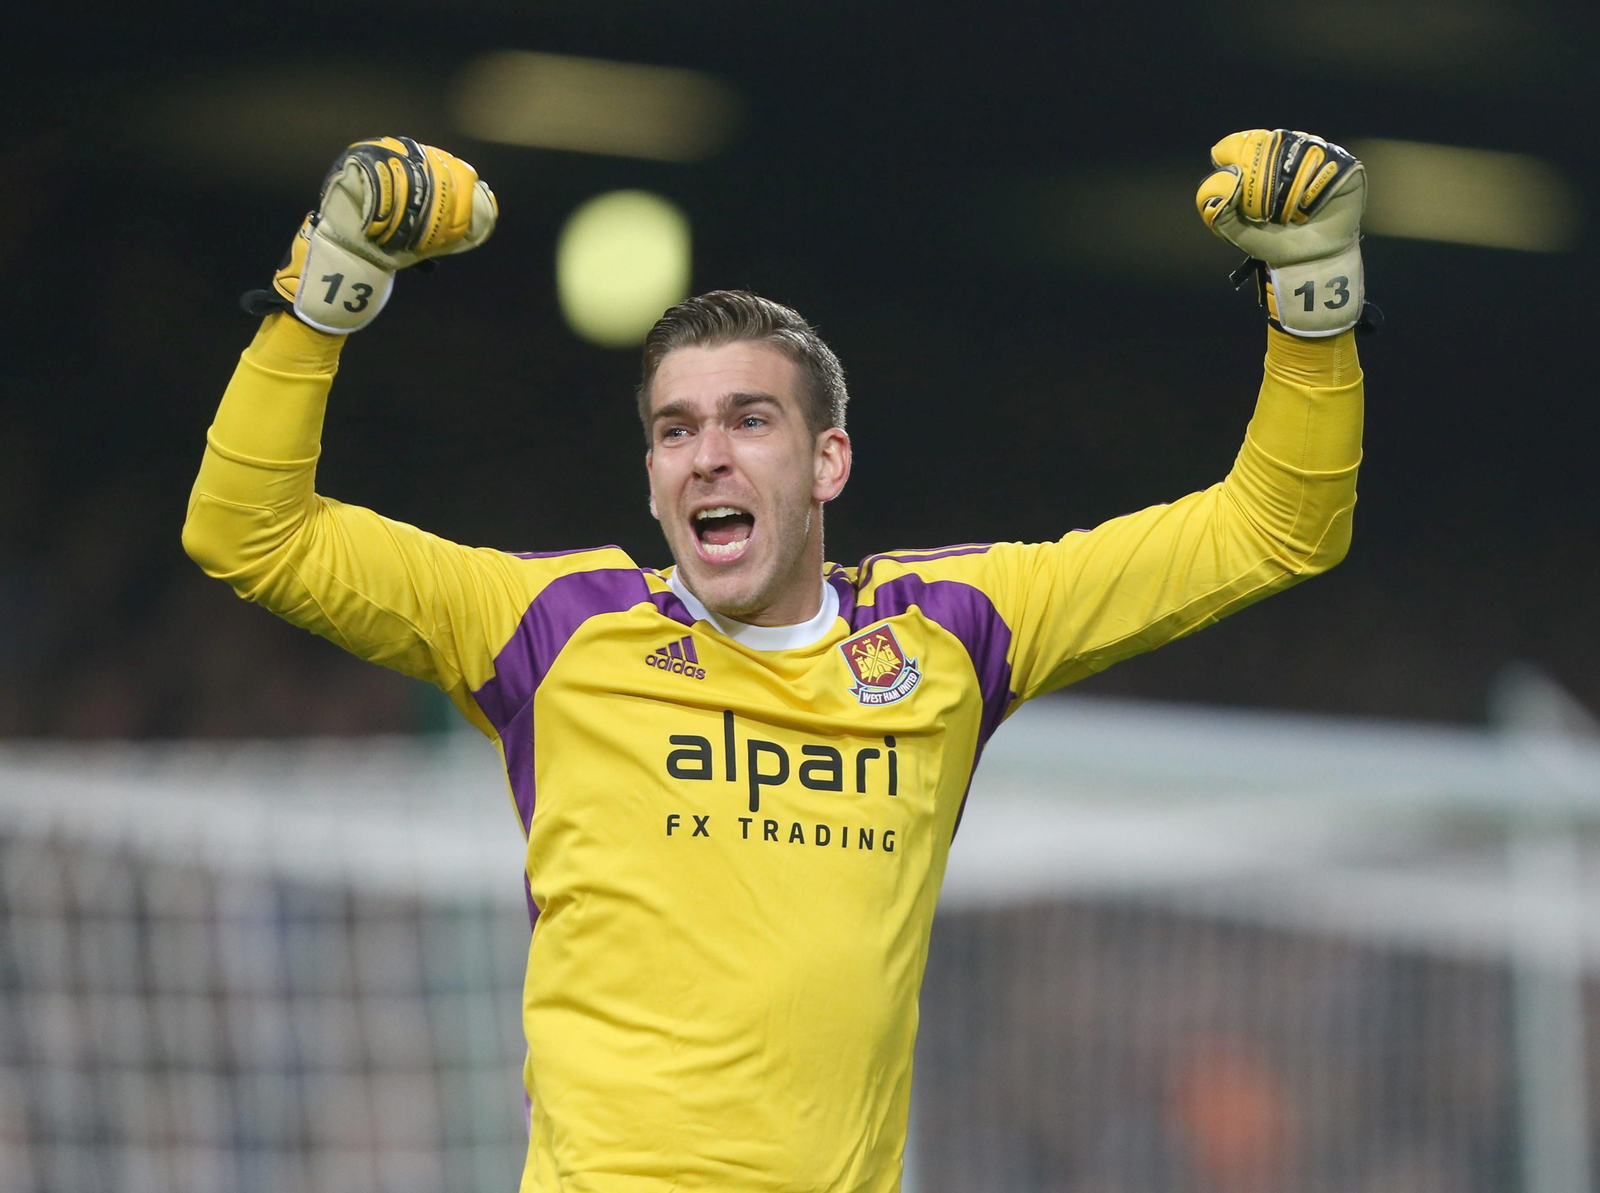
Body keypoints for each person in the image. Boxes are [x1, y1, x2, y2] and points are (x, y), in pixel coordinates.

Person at [183, 130, 1367, 1192]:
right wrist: (326, 297)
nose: (706, 455)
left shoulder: (951, 629)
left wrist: (1313, 306)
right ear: (650, 477)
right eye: (674, 429)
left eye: (749, 419)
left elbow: (1277, 527)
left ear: (826, 462)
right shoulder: (547, 626)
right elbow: (247, 530)